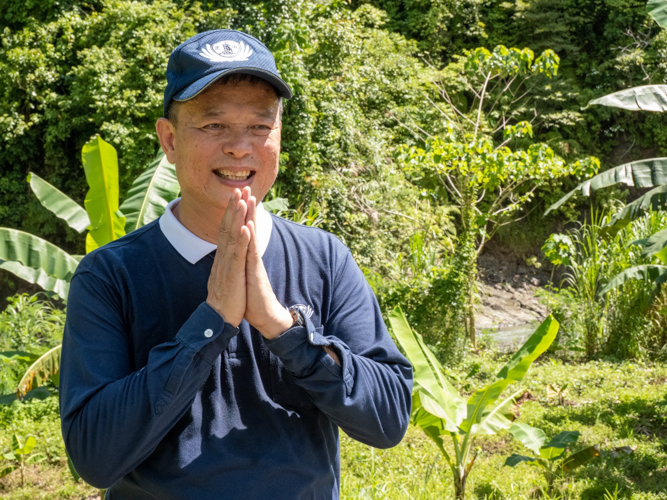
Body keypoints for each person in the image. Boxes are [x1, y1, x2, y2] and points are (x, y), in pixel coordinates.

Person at [59, 29, 413, 500]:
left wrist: (284, 329)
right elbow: (94, 457)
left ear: (279, 137)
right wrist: (211, 324)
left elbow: (388, 419)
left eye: (260, 126)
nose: (240, 147)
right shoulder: (110, 276)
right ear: (169, 139)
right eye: (214, 126)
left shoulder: (325, 257)